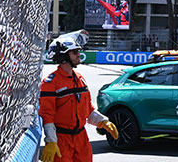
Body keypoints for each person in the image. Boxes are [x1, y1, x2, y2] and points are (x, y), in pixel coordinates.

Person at [40, 31, 119, 162]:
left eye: (78, 52)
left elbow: (87, 109)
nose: (79, 55)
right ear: (63, 56)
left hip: (82, 140)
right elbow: (47, 115)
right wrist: (51, 141)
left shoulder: (80, 78)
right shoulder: (50, 83)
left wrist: (103, 121)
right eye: (74, 53)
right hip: (61, 140)